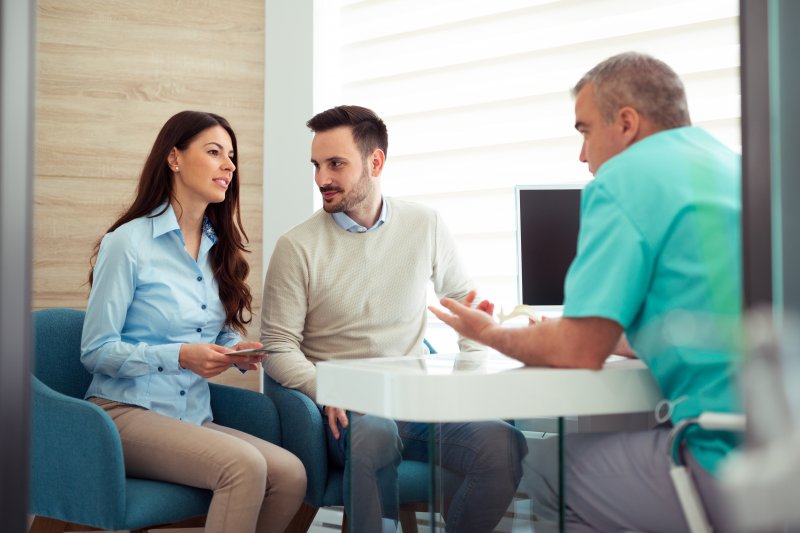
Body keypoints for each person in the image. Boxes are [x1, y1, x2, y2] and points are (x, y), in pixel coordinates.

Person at [430, 52, 742, 532]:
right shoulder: (737, 168)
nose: (582, 155)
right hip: (783, 446)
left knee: (547, 469)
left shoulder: (625, 179)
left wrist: (492, 333)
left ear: (626, 123)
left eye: (584, 131)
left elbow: (579, 349)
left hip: (725, 457)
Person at [260, 105, 528, 532]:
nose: (321, 179)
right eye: (316, 165)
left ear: (376, 162)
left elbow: (464, 302)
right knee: (376, 435)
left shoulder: (425, 224)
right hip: (346, 414)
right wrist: (328, 388)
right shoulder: (297, 247)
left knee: (503, 443)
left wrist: (472, 368)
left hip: (413, 402)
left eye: (335, 164)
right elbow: (277, 347)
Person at [81, 110, 306, 533]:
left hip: (191, 416)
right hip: (123, 413)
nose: (229, 166)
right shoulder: (127, 244)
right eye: (214, 152)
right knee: (244, 468)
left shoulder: (218, 247)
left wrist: (233, 348)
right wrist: (180, 357)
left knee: (290, 474)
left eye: (232, 156)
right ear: (174, 158)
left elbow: (212, 329)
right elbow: (96, 351)